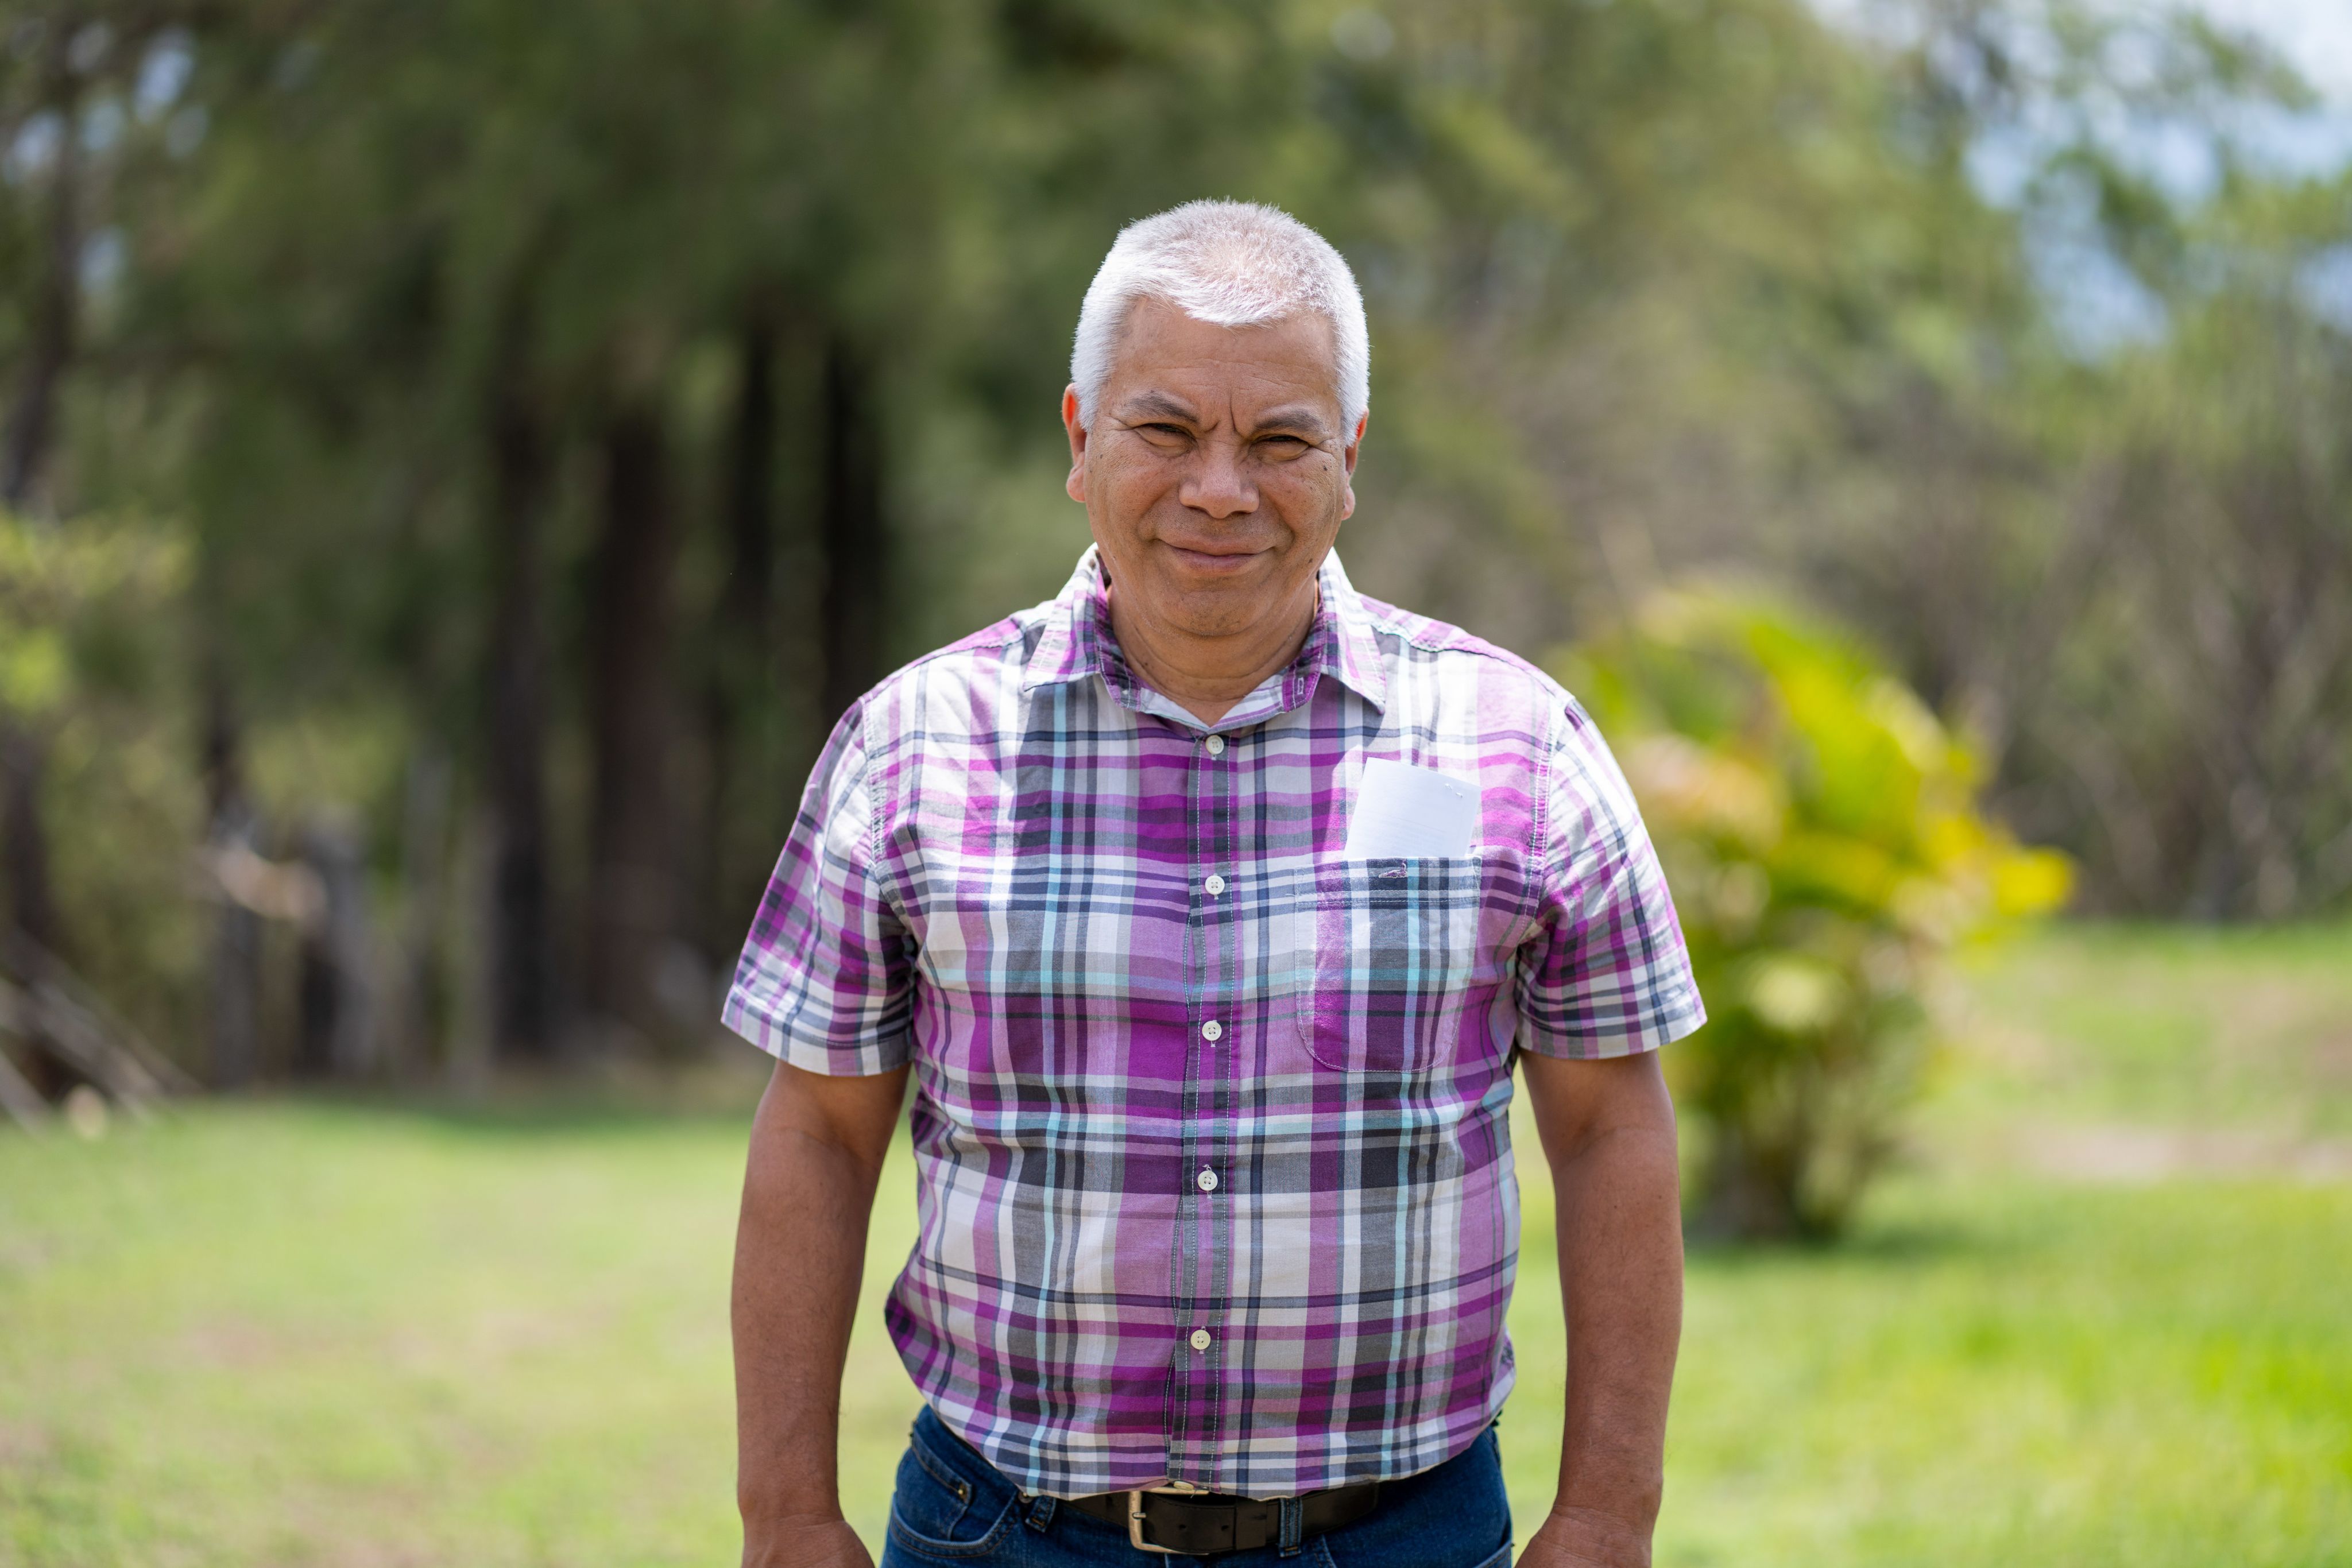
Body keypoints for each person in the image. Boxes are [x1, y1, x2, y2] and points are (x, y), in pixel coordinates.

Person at [726, 200, 1703, 1567]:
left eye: (1280, 441)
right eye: (1167, 429)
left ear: (1348, 460)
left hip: (1402, 1537)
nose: (1221, 489)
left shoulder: (1521, 746)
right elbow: (818, 1136)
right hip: (1000, 1532)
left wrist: (1605, 1513)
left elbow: (1610, 1130)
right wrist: (784, 1513)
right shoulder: (908, 748)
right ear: (1079, 439)